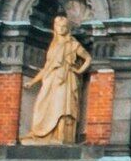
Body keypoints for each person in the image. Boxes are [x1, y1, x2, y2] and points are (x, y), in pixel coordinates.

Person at [23, 11, 89, 145]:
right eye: (58, 26)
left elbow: (88, 58)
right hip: (51, 79)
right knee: (42, 105)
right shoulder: (53, 45)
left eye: (64, 26)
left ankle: (61, 136)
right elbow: (47, 67)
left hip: (66, 79)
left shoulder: (72, 44)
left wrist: (79, 70)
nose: (61, 29)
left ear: (68, 28)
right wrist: (33, 81)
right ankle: (43, 135)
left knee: (63, 107)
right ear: (54, 27)